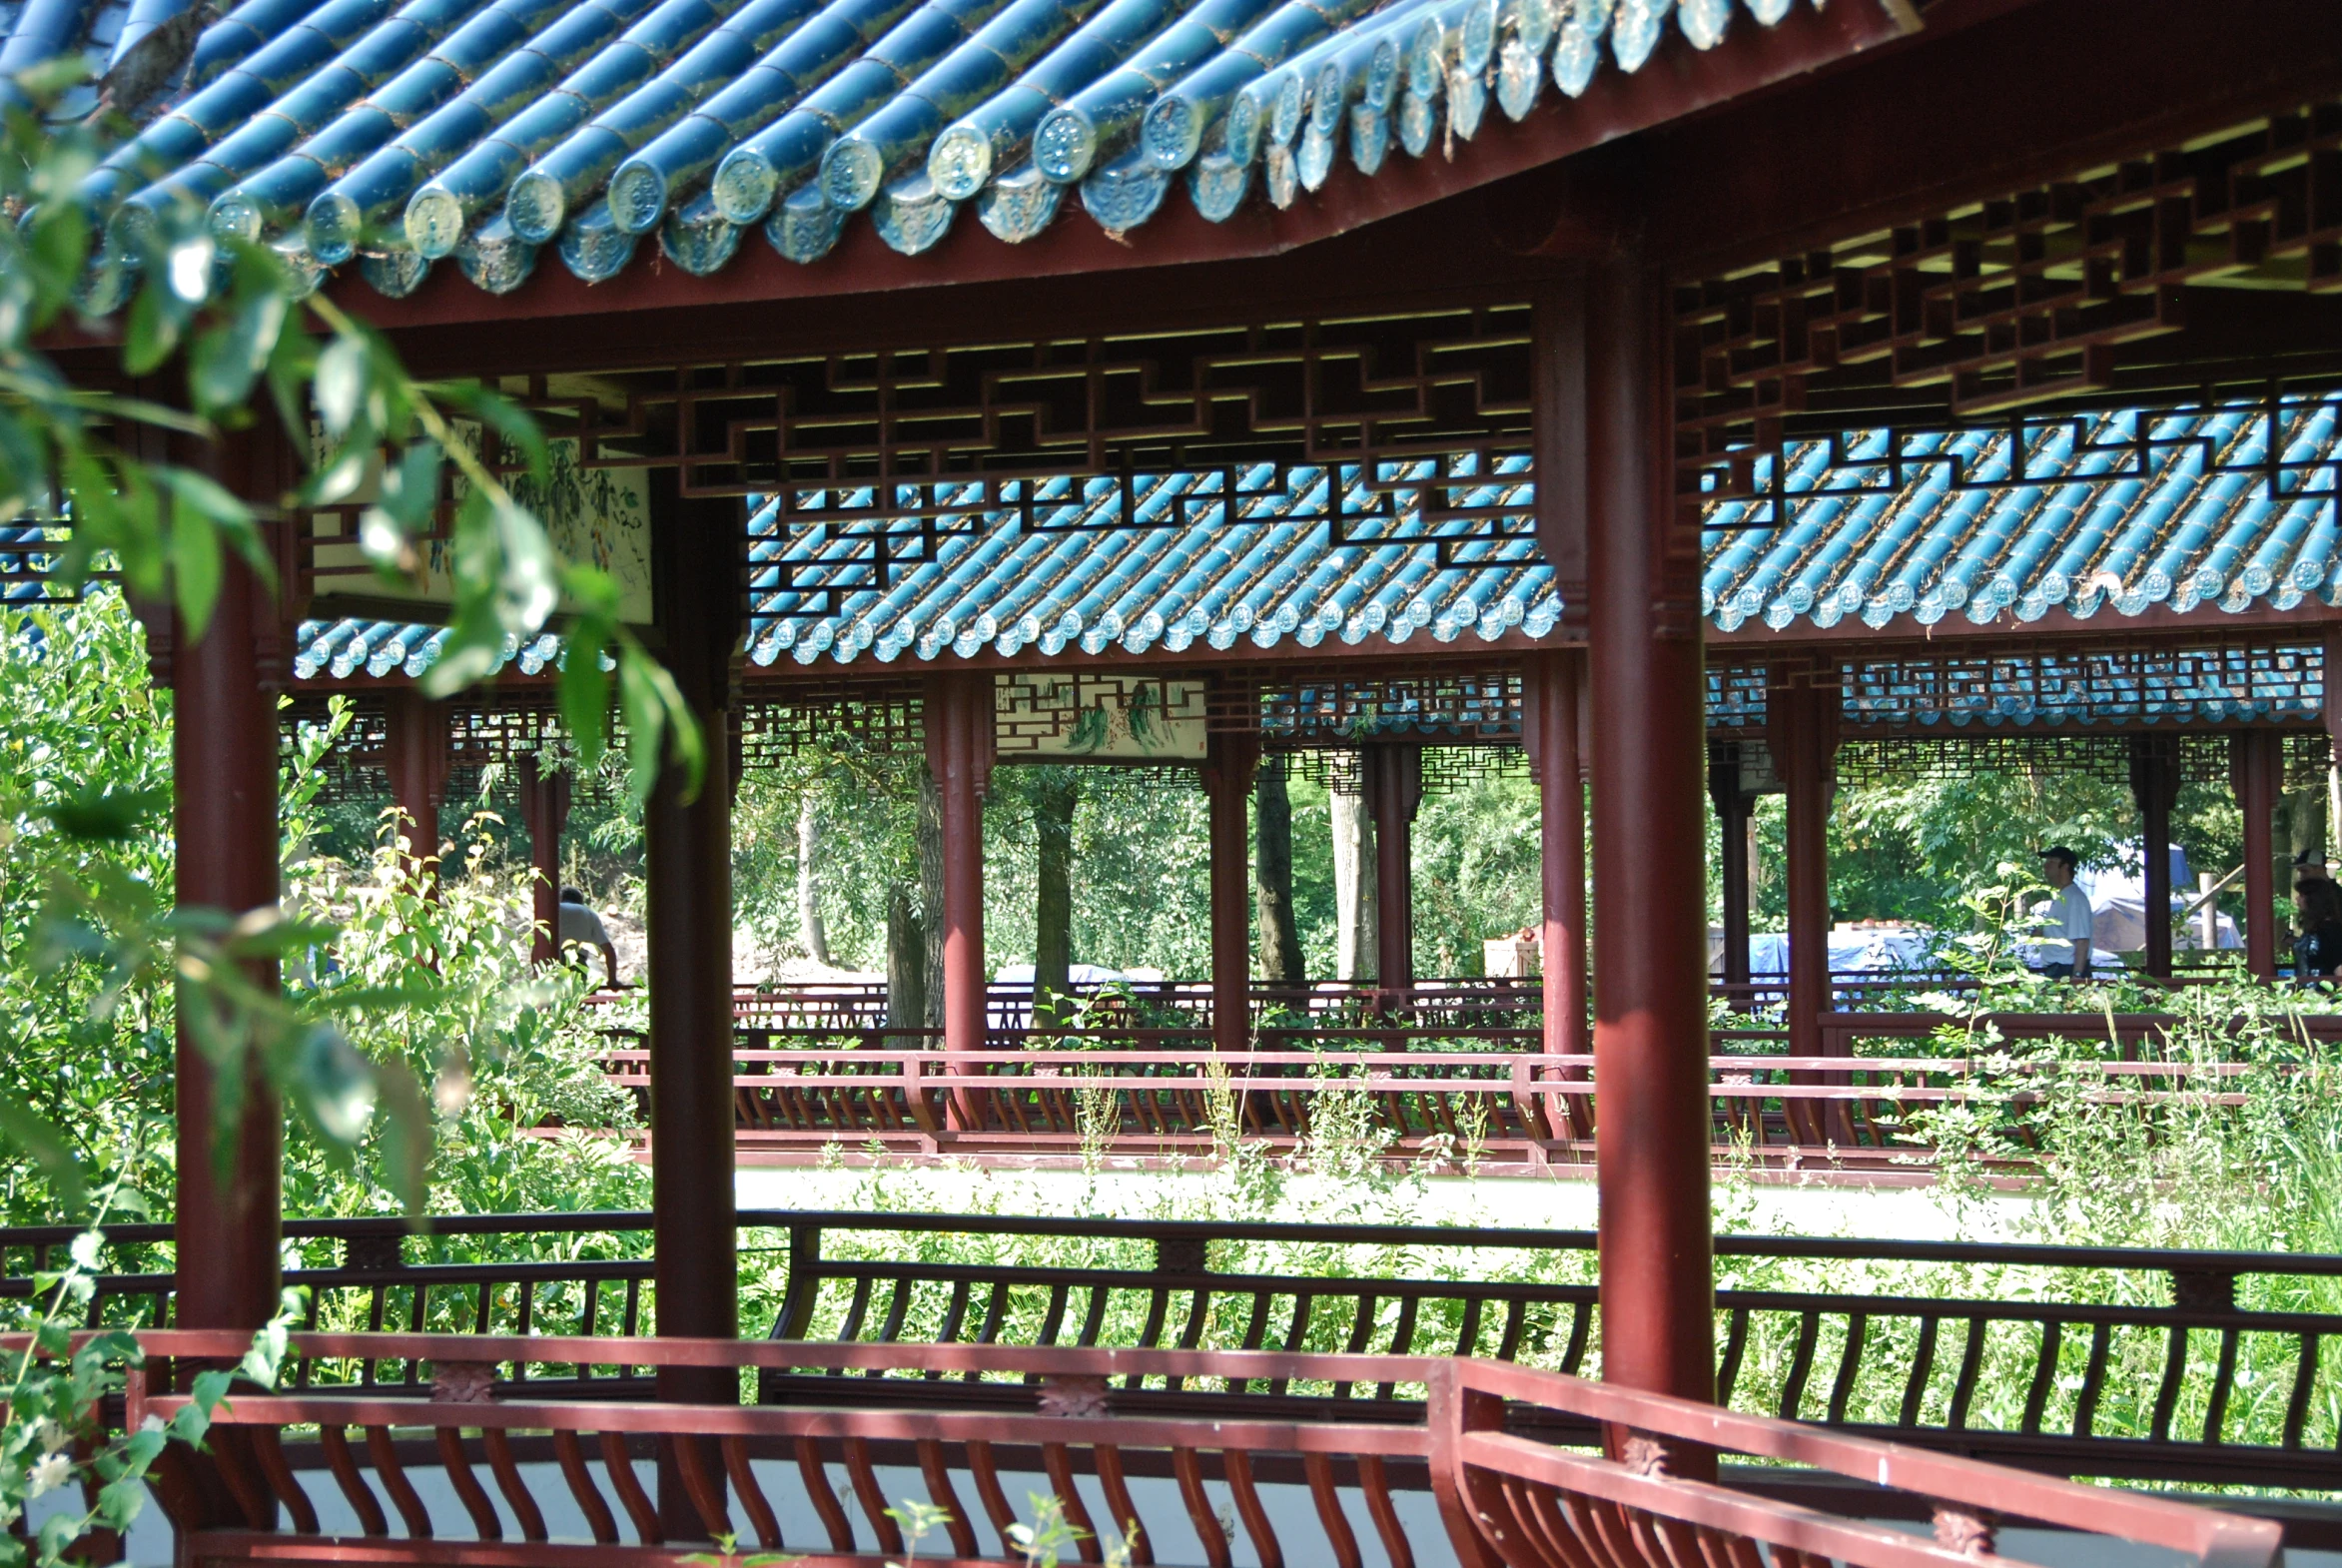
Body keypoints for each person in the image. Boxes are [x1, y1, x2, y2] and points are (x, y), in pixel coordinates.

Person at [2033, 846, 2092, 980]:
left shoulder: (2075, 898)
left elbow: (2082, 940)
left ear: (2065, 867)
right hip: (2055, 968)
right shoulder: (2060, 896)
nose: (2045, 867)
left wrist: (2077, 976)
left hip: (2067, 968)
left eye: (2051, 862)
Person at [556, 886, 622, 989]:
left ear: (561, 898)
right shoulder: (590, 914)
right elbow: (608, 949)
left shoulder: (553, 909)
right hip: (577, 963)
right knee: (576, 1001)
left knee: (549, 1002)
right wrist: (612, 979)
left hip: (552, 961)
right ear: (581, 901)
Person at [2295, 875, 2342, 983]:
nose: (2297, 899)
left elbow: (2339, 964)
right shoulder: (2314, 929)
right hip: (2307, 991)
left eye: (2302, 895)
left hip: (2324, 993)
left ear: (2314, 899)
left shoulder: (2332, 930)